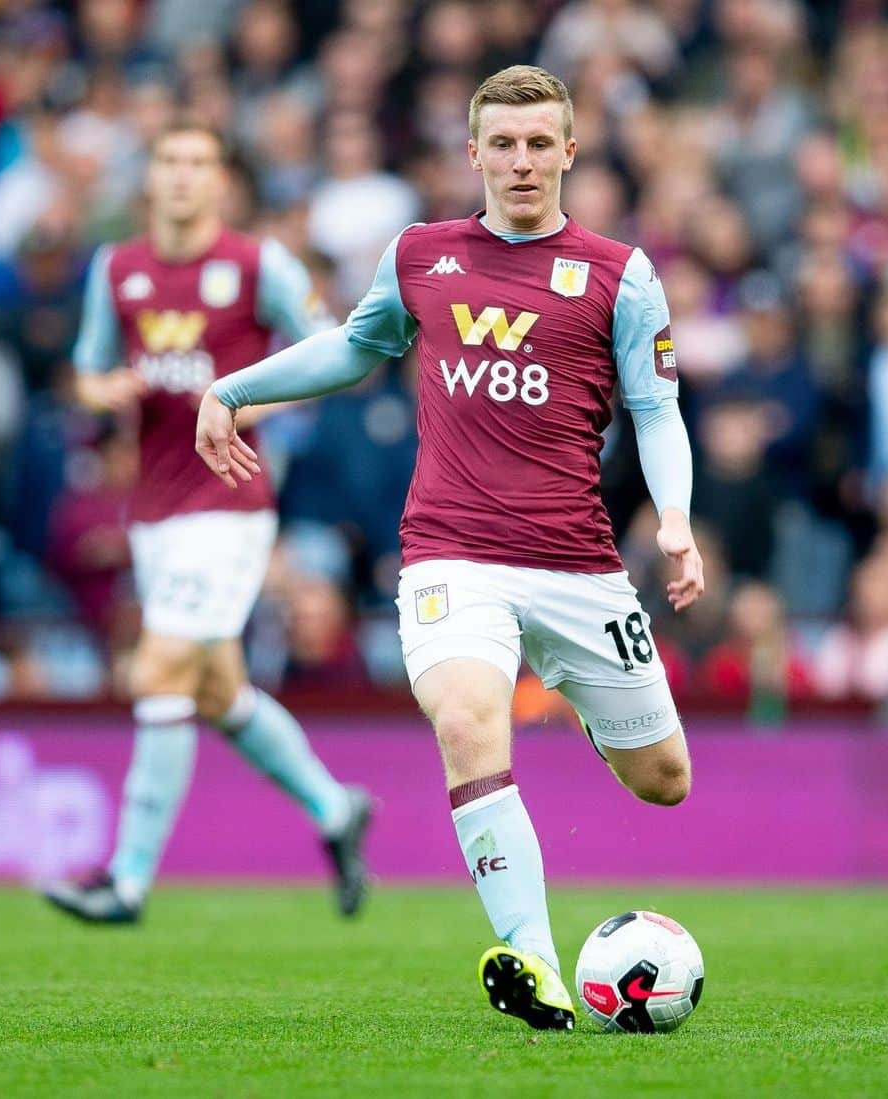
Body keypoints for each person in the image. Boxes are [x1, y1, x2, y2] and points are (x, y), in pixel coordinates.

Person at [196, 66, 704, 1031]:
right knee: (470, 723)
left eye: (539, 144)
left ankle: (593, 712)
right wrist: (234, 390)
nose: (521, 163)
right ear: (473, 152)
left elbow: (657, 410)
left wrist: (673, 518)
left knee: (664, 781)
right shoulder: (421, 254)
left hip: (578, 565)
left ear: (569, 150)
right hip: (450, 555)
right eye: (502, 145)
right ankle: (539, 967)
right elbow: (355, 347)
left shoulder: (618, 273)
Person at [43, 117, 372, 925]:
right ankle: (336, 810)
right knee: (220, 690)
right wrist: (104, 390)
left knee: (157, 672)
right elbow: (85, 372)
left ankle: (125, 880)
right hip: (153, 509)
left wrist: (246, 399)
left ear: (222, 182)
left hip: (229, 503)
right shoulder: (115, 269)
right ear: (149, 179)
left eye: (199, 162)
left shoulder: (259, 265)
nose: (183, 175)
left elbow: (333, 352)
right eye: (169, 161)